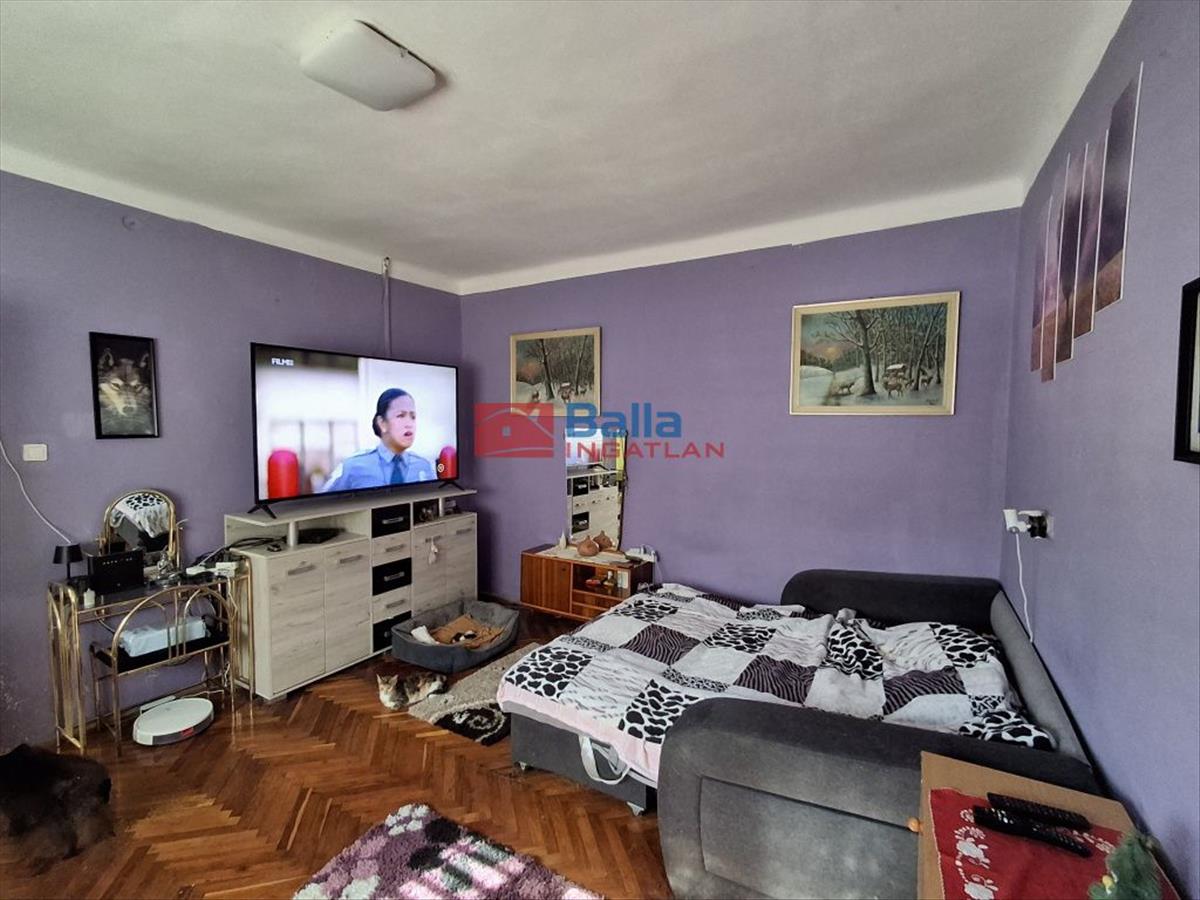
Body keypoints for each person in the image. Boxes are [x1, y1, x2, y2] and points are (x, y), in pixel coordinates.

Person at [321, 388, 436, 491]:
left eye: (413, 417)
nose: (409, 424)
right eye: (401, 415)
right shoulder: (353, 466)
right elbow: (323, 502)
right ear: (382, 423)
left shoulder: (423, 466)